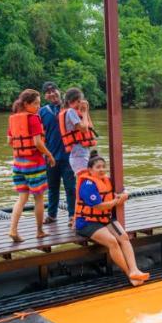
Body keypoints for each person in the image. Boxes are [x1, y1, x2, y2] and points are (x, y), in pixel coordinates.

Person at [74, 151, 149, 286]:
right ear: (90, 170)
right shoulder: (87, 185)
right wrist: (116, 201)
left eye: (103, 166)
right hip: (87, 222)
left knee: (124, 237)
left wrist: (125, 194)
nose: (102, 169)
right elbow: (98, 206)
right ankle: (130, 275)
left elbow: (123, 190)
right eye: (98, 167)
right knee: (112, 241)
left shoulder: (107, 180)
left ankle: (135, 269)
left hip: (105, 219)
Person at [7, 88, 56, 242]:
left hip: (18, 164)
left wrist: (21, 151)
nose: (38, 107)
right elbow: (37, 142)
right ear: (27, 104)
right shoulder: (33, 118)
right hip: (34, 164)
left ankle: (13, 230)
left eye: (39, 104)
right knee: (39, 198)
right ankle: (39, 231)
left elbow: (9, 141)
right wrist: (49, 155)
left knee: (22, 198)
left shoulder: (14, 118)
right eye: (35, 104)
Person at [37, 82, 75, 226]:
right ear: (44, 96)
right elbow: (39, 136)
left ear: (60, 91)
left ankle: (72, 215)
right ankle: (52, 215)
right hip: (50, 157)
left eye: (54, 90)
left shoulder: (69, 108)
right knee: (52, 188)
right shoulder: (42, 112)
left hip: (69, 156)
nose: (52, 94)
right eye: (48, 92)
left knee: (71, 188)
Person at [59, 87, 97, 178]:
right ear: (70, 101)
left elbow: (89, 128)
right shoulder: (70, 112)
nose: (80, 103)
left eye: (81, 101)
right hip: (78, 154)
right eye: (78, 101)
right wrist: (84, 113)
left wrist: (85, 112)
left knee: (87, 179)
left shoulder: (74, 112)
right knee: (84, 180)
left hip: (82, 152)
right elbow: (84, 129)